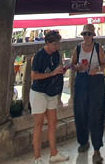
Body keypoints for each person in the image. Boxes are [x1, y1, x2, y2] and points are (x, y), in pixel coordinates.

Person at [30, 31, 68, 164]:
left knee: (53, 122)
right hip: (39, 92)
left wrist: (60, 71)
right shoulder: (39, 56)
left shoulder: (56, 54)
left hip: (51, 91)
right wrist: (52, 74)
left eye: (58, 44)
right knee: (39, 124)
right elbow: (34, 76)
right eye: (54, 44)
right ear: (47, 43)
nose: (57, 47)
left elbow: (55, 69)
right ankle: (37, 157)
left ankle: (54, 153)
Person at [72, 24, 105, 163]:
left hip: (96, 82)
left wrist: (96, 69)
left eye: (89, 34)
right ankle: (83, 141)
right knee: (80, 112)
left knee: (96, 114)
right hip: (81, 81)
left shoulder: (98, 48)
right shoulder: (78, 48)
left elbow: (104, 64)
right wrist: (79, 67)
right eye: (84, 34)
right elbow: (73, 65)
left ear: (93, 35)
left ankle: (97, 149)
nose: (86, 36)